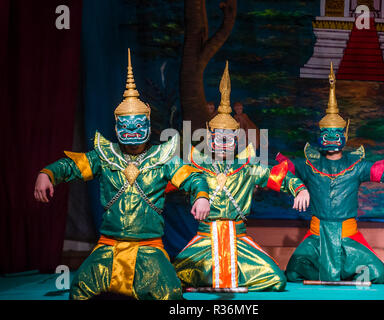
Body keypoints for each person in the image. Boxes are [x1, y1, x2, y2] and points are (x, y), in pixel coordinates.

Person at [34, 49, 210, 300]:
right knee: (80, 292)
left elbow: (194, 178)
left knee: (170, 295)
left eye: (138, 124)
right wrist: (47, 173)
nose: (132, 130)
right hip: (109, 247)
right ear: (116, 127)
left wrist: (201, 195)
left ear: (148, 125)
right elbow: (71, 166)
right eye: (125, 126)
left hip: (149, 249)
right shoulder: (105, 157)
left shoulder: (164, 158)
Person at [277, 63, 384, 284]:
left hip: (348, 237)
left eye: (336, 133)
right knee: (293, 273)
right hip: (317, 237)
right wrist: (299, 187)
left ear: (344, 135)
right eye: (327, 133)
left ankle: (345, 269)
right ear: (320, 135)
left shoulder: (356, 165)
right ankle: (331, 271)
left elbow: (379, 169)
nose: (332, 138)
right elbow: (283, 170)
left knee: (377, 274)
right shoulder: (309, 164)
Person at [173, 61, 310, 291]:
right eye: (219, 137)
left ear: (237, 140)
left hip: (239, 241)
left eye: (229, 138)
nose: (224, 143)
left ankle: (227, 280)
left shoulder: (247, 166)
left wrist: (300, 189)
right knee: (170, 279)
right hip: (204, 240)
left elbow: (279, 176)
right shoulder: (197, 166)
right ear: (210, 137)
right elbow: (169, 179)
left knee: (276, 280)